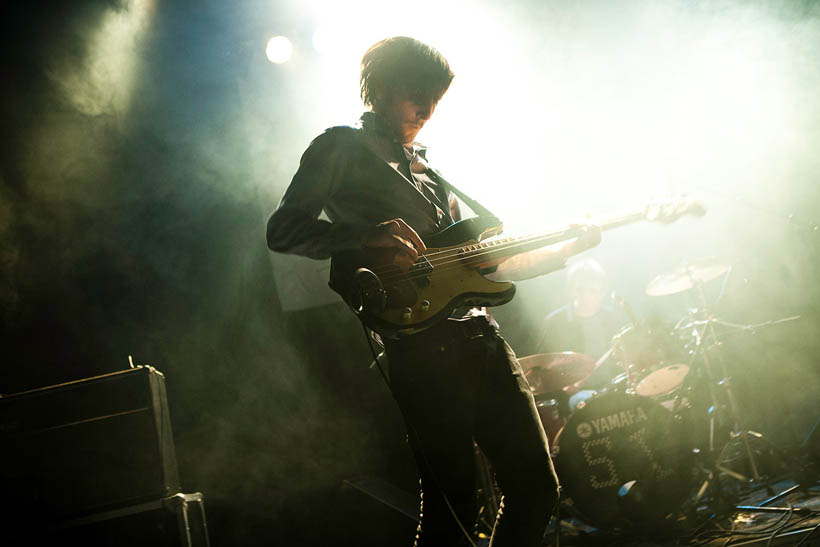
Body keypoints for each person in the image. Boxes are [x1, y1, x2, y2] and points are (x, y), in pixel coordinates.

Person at [267, 36, 600, 547]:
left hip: (483, 342)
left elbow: (487, 263)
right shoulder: (338, 148)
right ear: (379, 88)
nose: (426, 108)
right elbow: (283, 230)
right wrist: (364, 236)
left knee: (537, 487)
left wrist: (565, 251)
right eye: (415, 92)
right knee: (453, 512)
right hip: (420, 353)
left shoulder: (427, 169)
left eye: (435, 98)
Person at [536, 258, 624, 410]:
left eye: (593, 290)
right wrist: (563, 384)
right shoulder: (556, 322)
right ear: (571, 291)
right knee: (585, 403)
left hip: (613, 385)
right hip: (579, 395)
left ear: (603, 291)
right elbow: (543, 367)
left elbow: (627, 356)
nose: (587, 296)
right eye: (580, 290)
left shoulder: (613, 318)